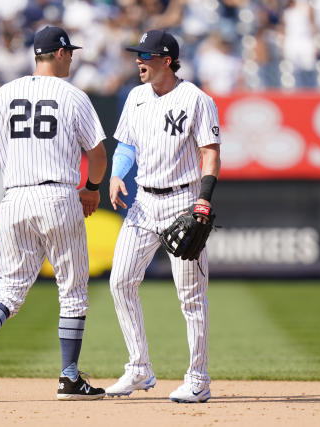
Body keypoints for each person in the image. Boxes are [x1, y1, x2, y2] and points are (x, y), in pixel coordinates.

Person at [0, 25, 107, 402]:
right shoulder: (73, 96)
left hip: (15, 199)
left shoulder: (3, 94)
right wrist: (92, 188)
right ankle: (69, 377)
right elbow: (98, 154)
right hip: (58, 196)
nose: (71, 56)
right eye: (68, 51)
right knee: (72, 292)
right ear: (57, 53)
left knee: (10, 289)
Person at [105, 29, 221, 403]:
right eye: (138, 54)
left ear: (166, 61)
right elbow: (126, 143)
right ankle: (139, 368)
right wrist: (117, 173)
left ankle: (198, 378)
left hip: (181, 201)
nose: (139, 60)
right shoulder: (136, 97)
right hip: (142, 203)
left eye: (146, 56)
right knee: (121, 281)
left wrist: (202, 201)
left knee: (190, 297)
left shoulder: (196, 99)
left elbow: (211, 152)